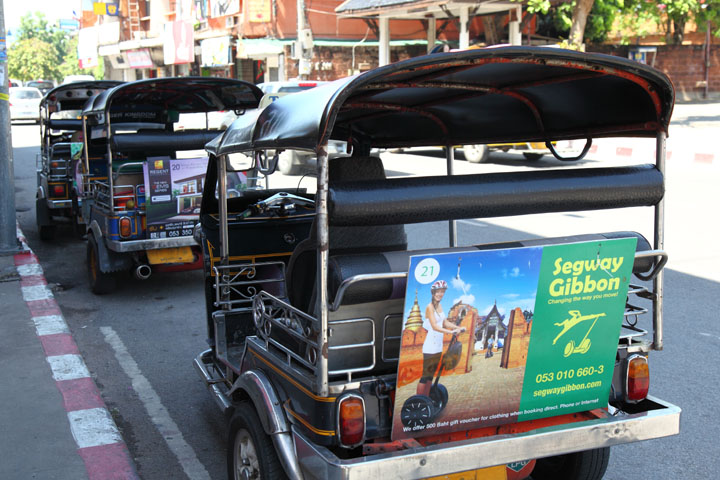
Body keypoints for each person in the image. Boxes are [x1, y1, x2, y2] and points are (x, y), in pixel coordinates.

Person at [417, 280, 465, 397]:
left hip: (438, 346)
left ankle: (427, 398)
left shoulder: (439, 306)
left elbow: (444, 322)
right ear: (433, 292)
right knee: (425, 375)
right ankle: (419, 400)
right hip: (430, 346)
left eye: (442, 292)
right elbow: (434, 326)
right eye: (438, 291)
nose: (440, 294)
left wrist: (457, 328)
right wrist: (450, 332)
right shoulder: (430, 307)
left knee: (431, 375)